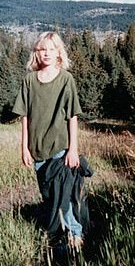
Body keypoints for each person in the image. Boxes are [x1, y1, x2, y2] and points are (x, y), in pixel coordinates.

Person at [12, 31, 91, 253]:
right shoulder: (29, 80)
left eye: (50, 49)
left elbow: (72, 116)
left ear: (59, 53)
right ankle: (58, 236)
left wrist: (73, 149)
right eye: (41, 49)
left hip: (61, 149)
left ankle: (75, 236)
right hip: (37, 150)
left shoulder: (66, 79)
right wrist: (24, 148)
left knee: (63, 197)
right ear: (36, 53)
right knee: (48, 197)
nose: (46, 53)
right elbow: (24, 116)